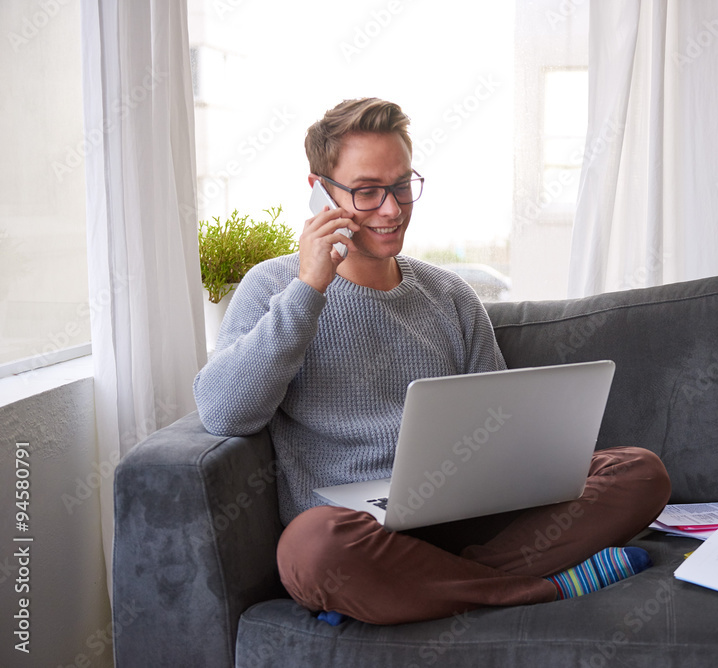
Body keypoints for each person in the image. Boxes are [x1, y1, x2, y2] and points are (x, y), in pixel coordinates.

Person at [193, 97, 671, 626]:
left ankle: (421, 588)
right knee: (308, 551)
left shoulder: (450, 296)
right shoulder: (275, 287)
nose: (392, 209)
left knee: (640, 472)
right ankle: (534, 588)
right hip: (362, 533)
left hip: (472, 515)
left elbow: (503, 424)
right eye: (367, 191)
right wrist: (310, 289)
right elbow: (224, 412)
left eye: (401, 185)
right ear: (320, 192)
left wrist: (522, 465)